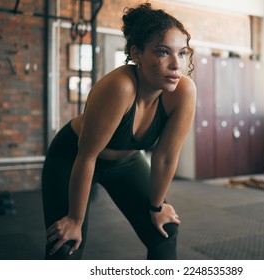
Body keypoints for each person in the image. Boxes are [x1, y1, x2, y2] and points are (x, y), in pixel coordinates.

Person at [41, 2, 196, 260]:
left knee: (165, 230)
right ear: (137, 54)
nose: (176, 64)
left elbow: (166, 157)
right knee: (65, 247)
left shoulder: (184, 91)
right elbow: (87, 156)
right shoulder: (120, 87)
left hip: (125, 162)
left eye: (182, 53)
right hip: (73, 157)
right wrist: (75, 220)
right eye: (163, 52)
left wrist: (156, 207)